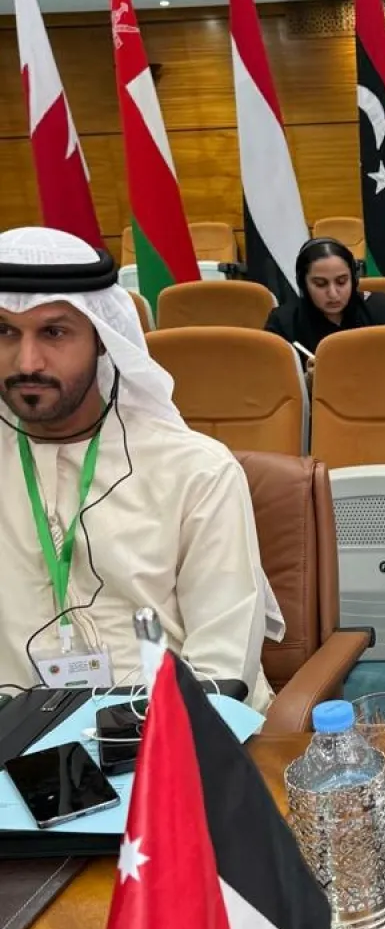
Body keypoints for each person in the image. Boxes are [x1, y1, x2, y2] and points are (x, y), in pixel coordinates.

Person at [0, 226, 279, 709]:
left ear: (102, 339)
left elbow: (223, 664)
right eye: (4, 331)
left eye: (54, 332)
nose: (27, 361)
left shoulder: (196, 471)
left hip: (172, 728)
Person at [265, 237, 385, 354]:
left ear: (354, 279)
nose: (333, 294)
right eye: (320, 284)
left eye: (342, 282)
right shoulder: (283, 323)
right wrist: (305, 379)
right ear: (303, 284)